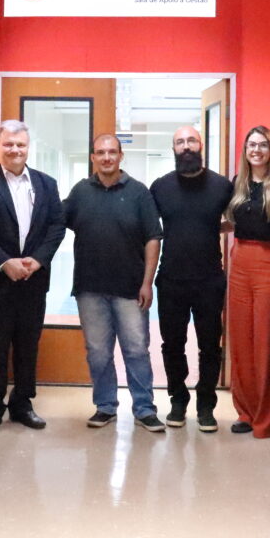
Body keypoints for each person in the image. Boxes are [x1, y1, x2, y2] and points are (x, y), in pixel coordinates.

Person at [64, 134, 165, 432]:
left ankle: (145, 409)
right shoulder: (80, 192)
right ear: (92, 157)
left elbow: (153, 238)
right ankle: (105, 406)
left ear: (121, 156)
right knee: (97, 352)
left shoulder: (139, 193)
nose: (106, 157)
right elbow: (58, 222)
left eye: (112, 152)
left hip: (130, 289)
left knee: (136, 350)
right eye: (100, 152)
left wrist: (148, 282)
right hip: (90, 288)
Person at [0, 120, 66, 434]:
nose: (15, 150)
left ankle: (23, 404)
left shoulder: (46, 184)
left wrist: (38, 260)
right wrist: (4, 262)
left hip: (33, 281)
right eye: (9, 144)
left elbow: (57, 226)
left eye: (21, 145)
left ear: (29, 148)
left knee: (29, 346)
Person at [148, 126, 233, 432]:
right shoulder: (160, 187)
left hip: (210, 279)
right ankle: (178, 400)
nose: (186, 146)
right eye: (180, 142)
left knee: (211, 345)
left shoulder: (223, 186)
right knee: (172, 345)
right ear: (173, 148)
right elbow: (146, 229)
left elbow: (239, 219)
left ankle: (207, 403)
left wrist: (217, 230)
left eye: (191, 141)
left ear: (201, 145)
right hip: (171, 279)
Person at [225, 125, 270, 438]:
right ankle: (245, 412)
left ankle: (269, 416)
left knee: (266, 340)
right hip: (240, 263)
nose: (257, 150)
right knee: (241, 340)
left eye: (263, 145)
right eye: (252, 145)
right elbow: (230, 221)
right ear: (245, 150)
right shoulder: (238, 184)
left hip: (269, 263)